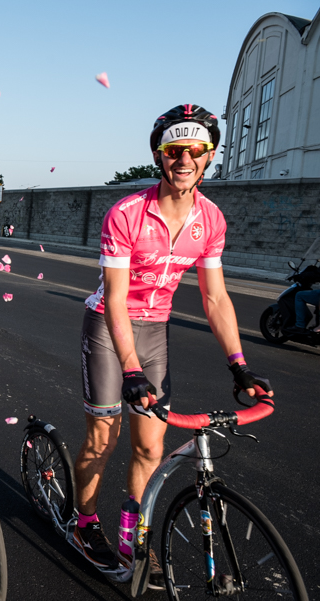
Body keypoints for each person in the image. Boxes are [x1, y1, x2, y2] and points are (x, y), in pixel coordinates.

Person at [74, 105, 273, 579]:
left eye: (196, 150)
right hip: (109, 326)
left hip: (155, 329)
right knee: (104, 438)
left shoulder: (212, 219)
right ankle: (83, 523)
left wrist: (238, 365)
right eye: (174, 150)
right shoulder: (126, 214)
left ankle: (131, 535)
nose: (185, 160)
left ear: (209, 157)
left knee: (150, 447)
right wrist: (130, 369)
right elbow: (116, 301)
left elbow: (216, 297)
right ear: (159, 156)